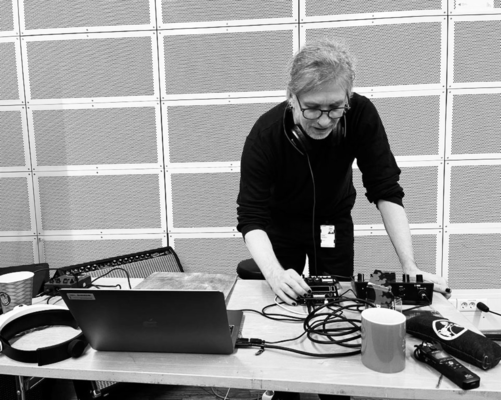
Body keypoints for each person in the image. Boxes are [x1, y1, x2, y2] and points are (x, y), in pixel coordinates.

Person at [236, 37, 450, 306]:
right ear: (292, 96)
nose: (324, 121)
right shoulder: (265, 135)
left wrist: (410, 267)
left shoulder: (361, 115)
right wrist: (275, 274)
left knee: (335, 306)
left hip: (333, 221)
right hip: (280, 225)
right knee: (283, 299)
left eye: (336, 108)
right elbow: (251, 216)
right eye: (312, 108)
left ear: (348, 96)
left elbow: (386, 191)